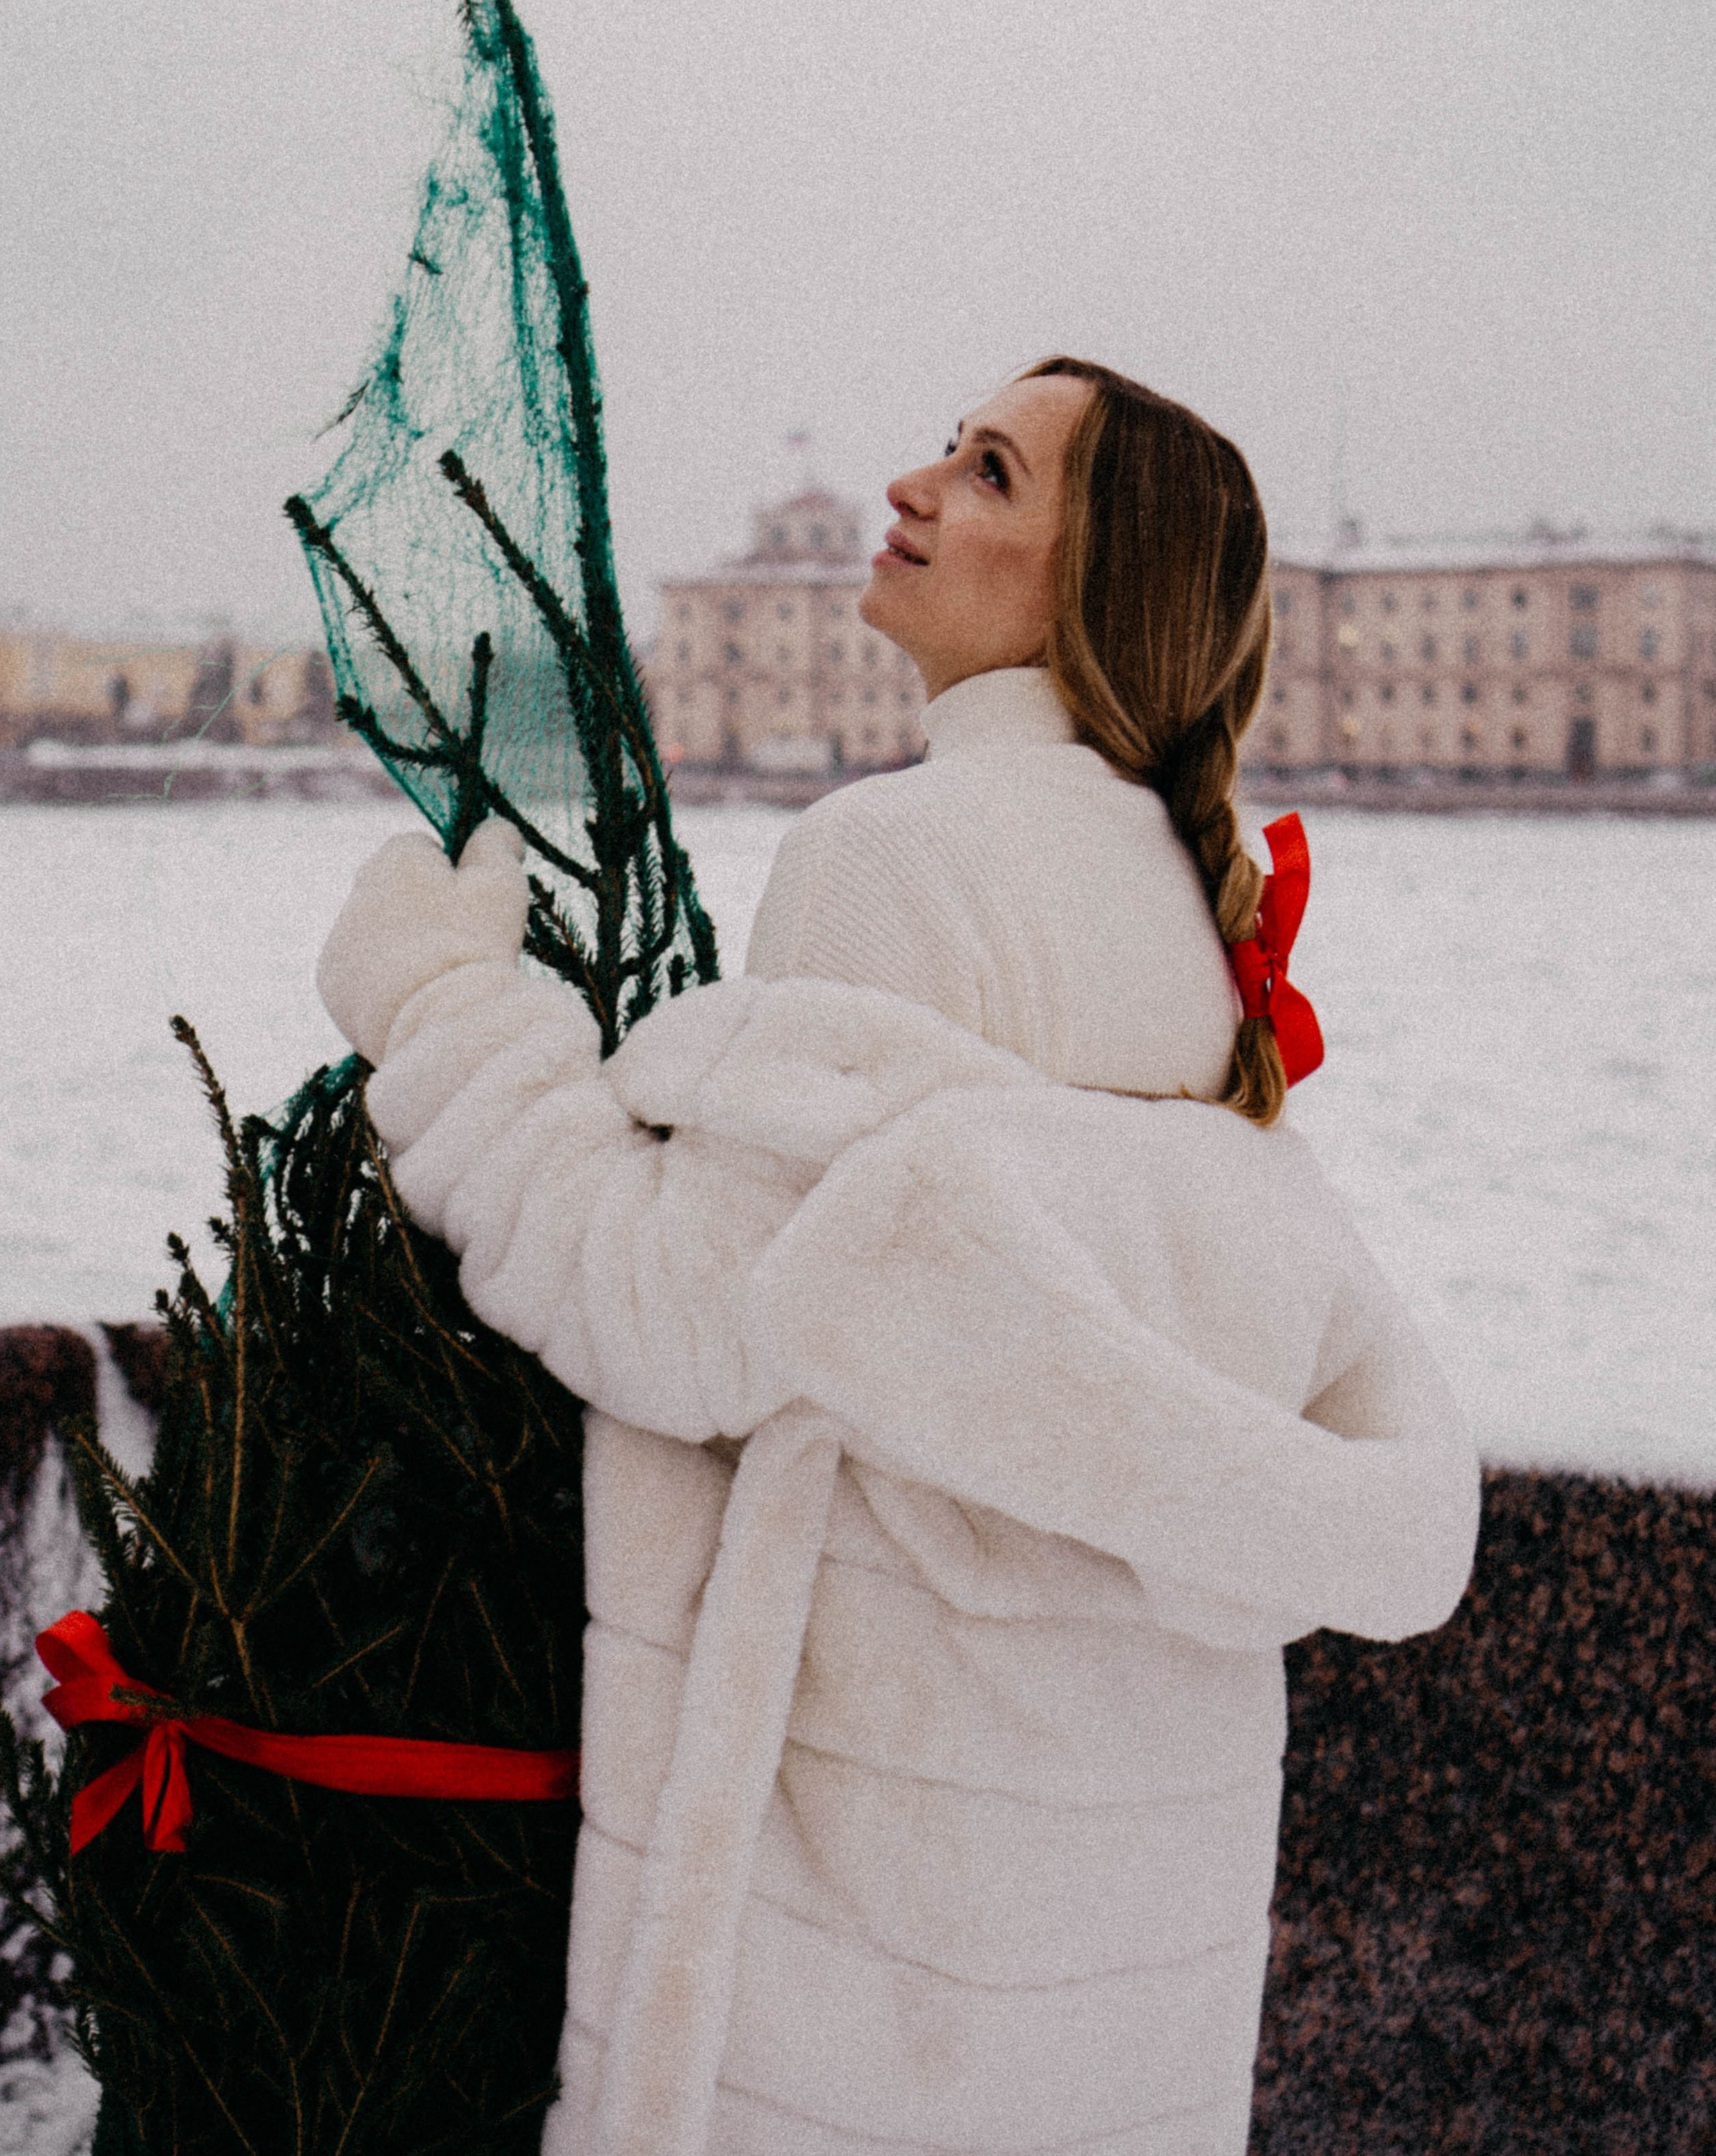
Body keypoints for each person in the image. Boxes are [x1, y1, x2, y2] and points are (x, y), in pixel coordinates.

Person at [317, 358, 1479, 2156]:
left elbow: (676, 1310)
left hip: (865, 1957)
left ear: (1090, 585)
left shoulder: (895, 857)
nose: (915, 486)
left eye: (990, 471)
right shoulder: (1194, 906)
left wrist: (448, 1000)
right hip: (1117, 1940)